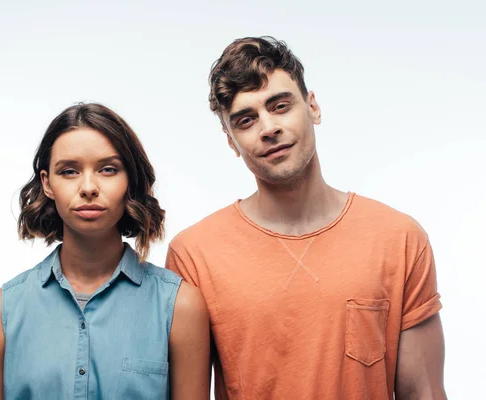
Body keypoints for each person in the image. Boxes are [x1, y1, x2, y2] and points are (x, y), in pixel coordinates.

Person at [166, 36, 446, 399]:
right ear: (230, 141)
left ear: (312, 106)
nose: (268, 128)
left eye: (280, 105)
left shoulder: (400, 239)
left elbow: (425, 392)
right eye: (246, 120)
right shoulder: (194, 255)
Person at [0, 103, 210, 399]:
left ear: (130, 181)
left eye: (108, 169)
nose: (88, 187)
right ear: (47, 183)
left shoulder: (181, 307)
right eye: (69, 171)